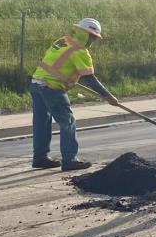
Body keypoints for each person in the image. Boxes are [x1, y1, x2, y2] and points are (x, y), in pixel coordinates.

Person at [31, 18, 120, 171]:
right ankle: (70, 160)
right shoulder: (80, 51)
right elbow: (89, 79)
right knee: (68, 123)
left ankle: (40, 158)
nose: (92, 41)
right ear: (84, 34)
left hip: (36, 83)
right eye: (91, 37)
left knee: (42, 123)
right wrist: (108, 96)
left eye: (94, 38)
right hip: (52, 88)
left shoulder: (64, 40)